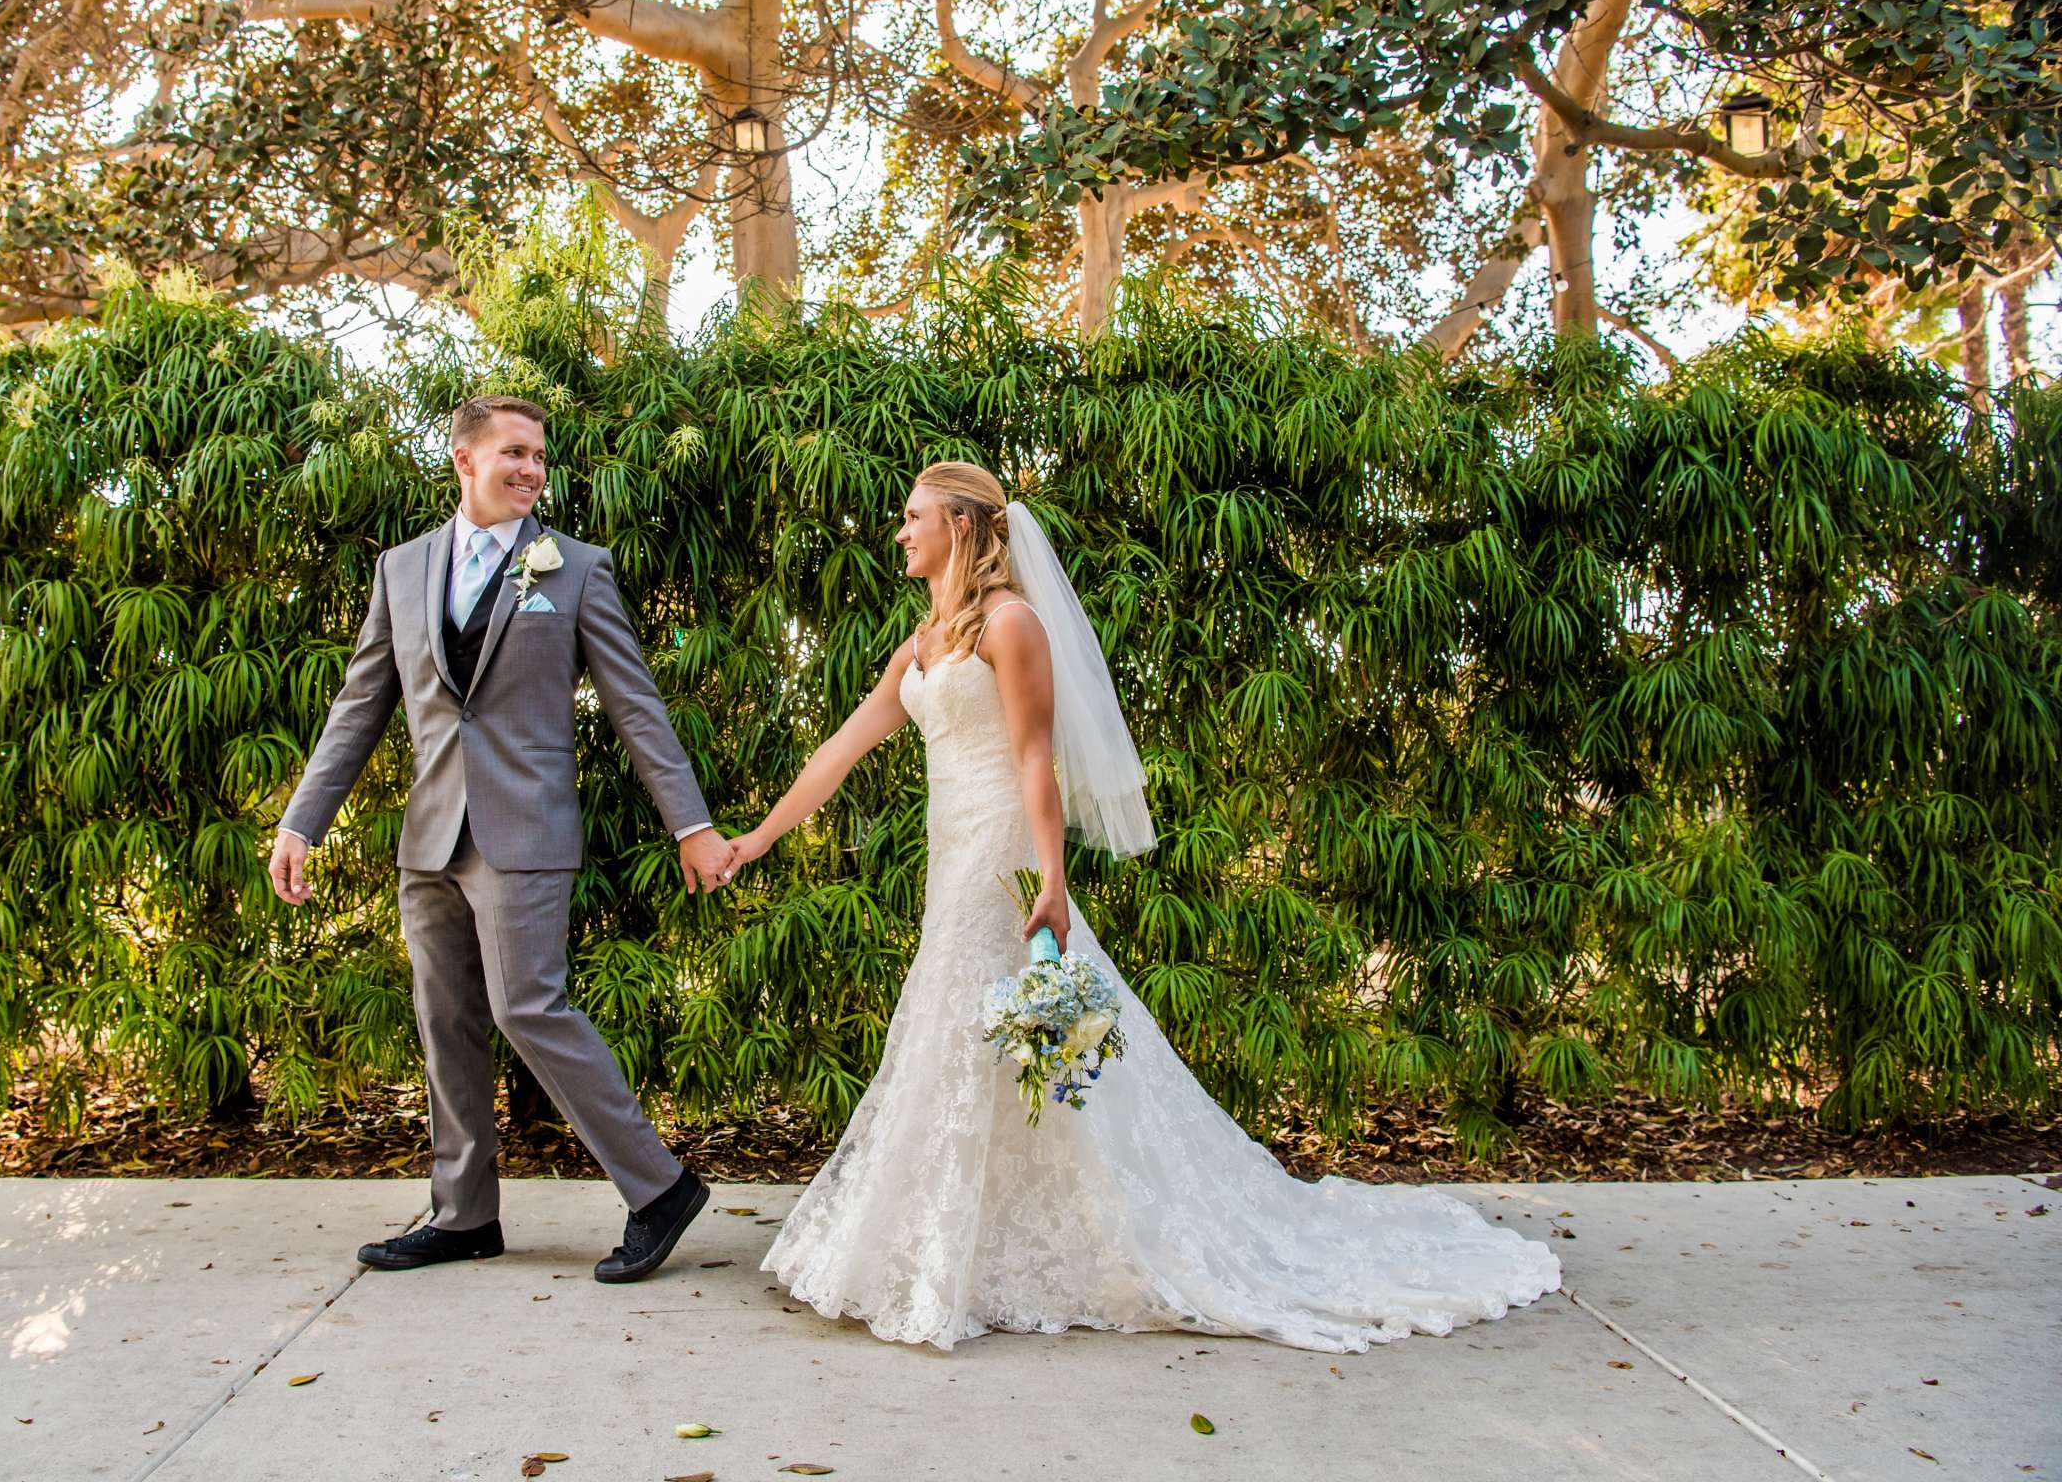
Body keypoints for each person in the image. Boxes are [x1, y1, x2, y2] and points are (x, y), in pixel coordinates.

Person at [718, 460, 1562, 1350]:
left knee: (971, 1016)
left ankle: (975, 1246)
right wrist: (758, 839)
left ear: (960, 527)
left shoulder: (1012, 625)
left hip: (999, 849)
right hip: (948, 846)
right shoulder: (923, 643)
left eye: (913, 516)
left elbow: (1035, 759)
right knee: (971, 1020)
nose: (900, 532)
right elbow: (842, 749)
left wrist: (1052, 878)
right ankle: (976, 1235)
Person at [269, 393, 731, 1283]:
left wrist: (692, 824)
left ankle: (661, 1187)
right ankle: (463, 1216)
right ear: (463, 461)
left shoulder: (575, 568)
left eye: (539, 457)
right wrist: (301, 821)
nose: (531, 470)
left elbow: (636, 705)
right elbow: (361, 704)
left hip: (526, 833)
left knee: (530, 1008)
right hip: (430, 837)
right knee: (446, 1025)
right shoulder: (401, 571)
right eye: (514, 453)